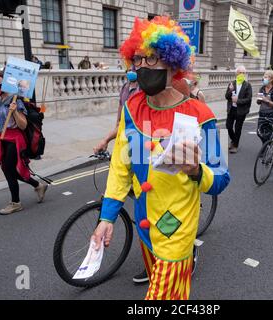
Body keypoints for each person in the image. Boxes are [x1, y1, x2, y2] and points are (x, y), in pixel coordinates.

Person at [90, 16, 230, 300]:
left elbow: (221, 178)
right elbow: (120, 166)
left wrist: (195, 170)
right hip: (145, 225)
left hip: (176, 227)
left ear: (172, 63)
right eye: (138, 59)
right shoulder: (132, 107)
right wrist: (107, 217)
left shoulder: (202, 115)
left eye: (152, 59)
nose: (142, 66)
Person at [0, 70, 48, 214]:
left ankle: (15, 202)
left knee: (9, 169)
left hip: (15, 140)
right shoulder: (1, 99)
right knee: (8, 169)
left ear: (6, 82)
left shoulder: (16, 101)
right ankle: (38, 185)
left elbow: (22, 125)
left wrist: (15, 111)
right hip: (3, 138)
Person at [93, 69, 140, 153]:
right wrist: (118, 121)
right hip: (123, 129)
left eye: (132, 70)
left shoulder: (141, 90)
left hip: (135, 132)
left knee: (136, 159)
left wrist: (106, 140)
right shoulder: (125, 86)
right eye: (128, 70)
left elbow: (129, 121)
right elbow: (121, 104)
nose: (130, 72)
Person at [225, 65, 253, 153]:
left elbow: (248, 99)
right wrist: (230, 90)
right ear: (236, 73)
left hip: (241, 111)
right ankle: (234, 140)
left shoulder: (247, 85)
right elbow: (226, 96)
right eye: (240, 72)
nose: (242, 74)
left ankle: (235, 146)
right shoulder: (232, 83)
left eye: (243, 73)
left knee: (238, 128)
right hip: (231, 109)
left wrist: (238, 101)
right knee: (228, 126)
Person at [256, 70, 273, 144]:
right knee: (259, 132)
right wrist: (259, 100)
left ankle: (266, 148)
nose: (264, 78)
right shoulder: (262, 88)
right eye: (264, 77)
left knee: (268, 133)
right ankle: (266, 145)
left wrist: (267, 100)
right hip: (262, 114)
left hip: (271, 115)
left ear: (271, 79)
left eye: (266, 77)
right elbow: (258, 102)